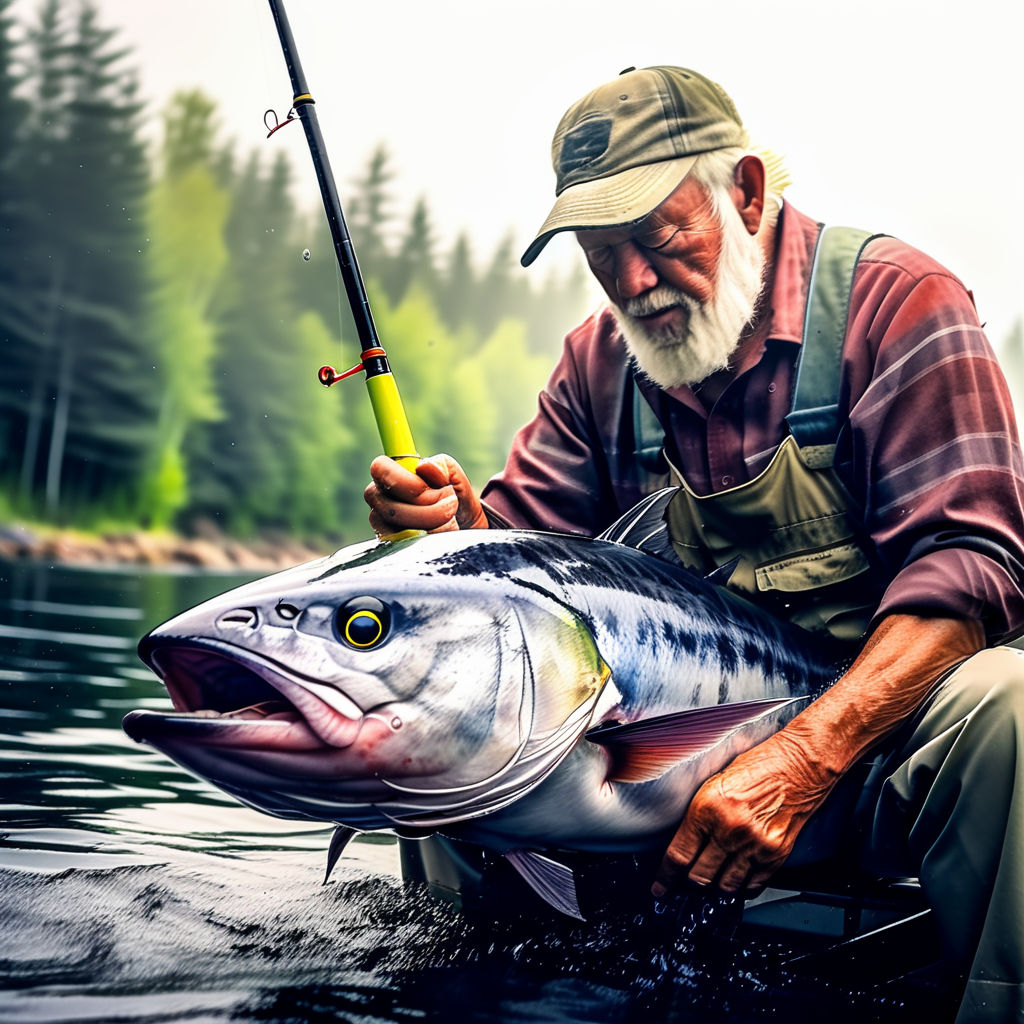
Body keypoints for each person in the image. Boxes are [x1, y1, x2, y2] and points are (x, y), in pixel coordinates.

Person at [364, 66, 1024, 1022]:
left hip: (881, 760)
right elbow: (526, 577)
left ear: (745, 192)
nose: (633, 281)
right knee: (451, 731)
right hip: (655, 767)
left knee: (1008, 705)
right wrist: (456, 533)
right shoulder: (598, 363)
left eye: (658, 237)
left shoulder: (897, 304)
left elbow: (972, 579)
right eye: (601, 252)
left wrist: (800, 762)